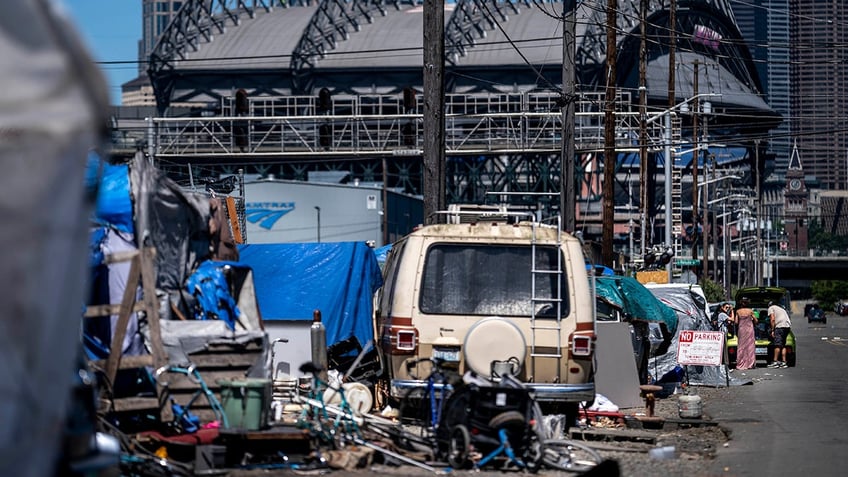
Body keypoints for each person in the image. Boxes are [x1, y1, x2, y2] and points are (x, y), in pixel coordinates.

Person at [734, 298, 758, 369]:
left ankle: (740, 363)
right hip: (749, 329)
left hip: (741, 330)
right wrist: (753, 321)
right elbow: (756, 320)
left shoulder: (738, 311)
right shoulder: (750, 311)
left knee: (741, 346)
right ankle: (750, 364)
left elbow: (736, 322)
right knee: (750, 346)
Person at [768, 301, 793, 368]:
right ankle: (784, 362)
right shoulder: (781, 309)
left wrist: (772, 330)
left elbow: (772, 319)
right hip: (787, 327)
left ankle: (775, 362)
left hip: (780, 327)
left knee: (777, 345)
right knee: (783, 345)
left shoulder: (771, 308)